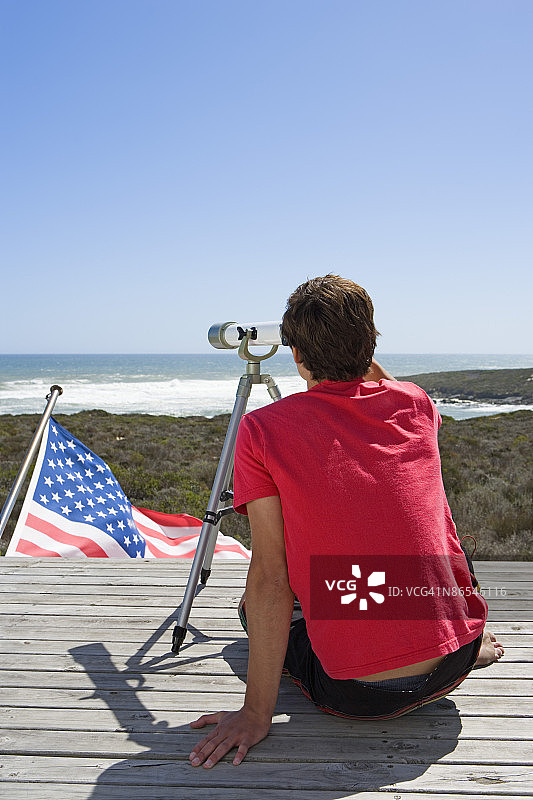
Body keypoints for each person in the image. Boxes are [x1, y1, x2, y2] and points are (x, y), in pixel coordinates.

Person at [189, 275, 504, 769]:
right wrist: (352, 351)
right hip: (454, 662)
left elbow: (272, 578)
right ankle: (467, 634)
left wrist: (254, 714)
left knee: (256, 605)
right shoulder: (416, 405)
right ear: (372, 340)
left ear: (295, 355)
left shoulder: (263, 430)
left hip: (356, 695)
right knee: (431, 528)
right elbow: (380, 380)